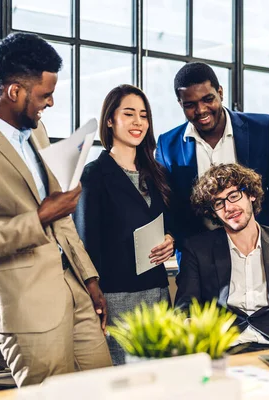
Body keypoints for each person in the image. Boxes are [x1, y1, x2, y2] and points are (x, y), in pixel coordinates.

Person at [0, 32, 112, 386]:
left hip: (75, 291)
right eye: (44, 95)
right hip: (27, 307)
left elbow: (59, 215)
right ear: (14, 91)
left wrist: (89, 277)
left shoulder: (36, 132)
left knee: (104, 389)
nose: (49, 103)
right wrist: (40, 217)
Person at [174, 163, 269, 352]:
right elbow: (184, 309)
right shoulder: (197, 249)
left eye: (234, 195)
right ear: (212, 212)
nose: (229, 207)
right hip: (224, 346)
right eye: (218, 203)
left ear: (251, 194)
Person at [73, 84, 175, 365]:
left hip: (157, 290)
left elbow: (172, 222)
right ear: (110, 120)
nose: (138, 122)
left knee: (163, 377)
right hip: (117, 296)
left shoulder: (157, 173)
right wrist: (96, 295)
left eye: (143, 115)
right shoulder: (93, 175)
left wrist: (171, 239)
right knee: (126, 380)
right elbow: (85, 242)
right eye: (129, 114)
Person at [156, 62, 269, 260]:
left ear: (220, 93)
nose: (201, 110)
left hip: (260, 251)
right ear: (180, 103)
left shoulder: (264, 129)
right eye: (190, 105)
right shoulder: (167, 145)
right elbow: (169, 206)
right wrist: (171, 238)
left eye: (208, 99)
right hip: (200, 260)